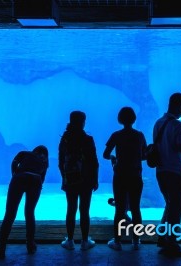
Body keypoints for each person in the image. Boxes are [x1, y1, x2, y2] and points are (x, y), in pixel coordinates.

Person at [153, 92, 181, 257]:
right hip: (174, 171)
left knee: (170, 206)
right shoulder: (177, 125)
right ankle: (171, 243)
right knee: (177, 208)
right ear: (178, 106)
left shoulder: (158, 123)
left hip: (161, 171)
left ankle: (163, 239)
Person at [103, 107, 147, 251]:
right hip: (135, 175)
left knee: (120, 210)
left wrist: (114, 158)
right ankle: (136, 240)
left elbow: (105, 154)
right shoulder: (140, 136)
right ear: (134, 119)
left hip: (120, 175)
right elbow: (145, 156)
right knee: (136, 209)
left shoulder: (116, 135)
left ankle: (117, 241)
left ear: (120, 119)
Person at [0, 145, 49, 259]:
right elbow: (42, 178)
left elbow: (14, 163)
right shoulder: (44, 161)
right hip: (36, 179)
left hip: (20, 177)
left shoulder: (24, 153)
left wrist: (15, 175)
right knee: (30, 212)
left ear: (34, 150)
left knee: (10, 213)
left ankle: (1, 248)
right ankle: (30, 245)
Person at [59, 111, 99, 251]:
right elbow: (94, 162)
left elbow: (60, 161)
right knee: (84, 210)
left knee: (71, 209)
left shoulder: (65, 139)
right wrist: (95, 179)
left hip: (70, 180)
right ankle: (84, 241)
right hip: (86, 180)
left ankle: (70, 241)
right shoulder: (88, 139)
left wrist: (64, 177)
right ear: (83, 122)